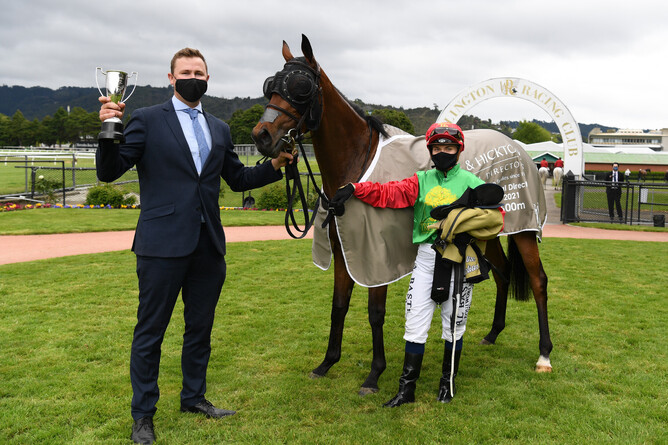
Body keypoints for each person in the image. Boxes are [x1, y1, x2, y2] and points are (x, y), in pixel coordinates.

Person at [97, 48, 294, 445]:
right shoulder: (148, 120)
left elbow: (237, 180)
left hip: (208, 246)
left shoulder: (219, 128)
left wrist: (274, 166)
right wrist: (109, 126)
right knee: (150, 332)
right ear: (171, 78)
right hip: (161, 245)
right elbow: (108, 171)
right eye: (185, 72)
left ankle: (194, 398)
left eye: (199, 72)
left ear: (208, 78)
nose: (193, 77)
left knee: (199, 330)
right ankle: (143, 415)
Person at [330, 123, 501, 407]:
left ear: (458, 150)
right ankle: (406, 390)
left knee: (454, 324)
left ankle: (447, 384)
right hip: (426, 258)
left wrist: (461, 223)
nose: (442, 152)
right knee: (415, 324)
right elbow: (388, 193)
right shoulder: (420, 180)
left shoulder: (472, 182)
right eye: (437, 148)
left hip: (457, 260)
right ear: (430, 151)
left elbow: (496, 219)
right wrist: (354, 188)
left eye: (448, 148)